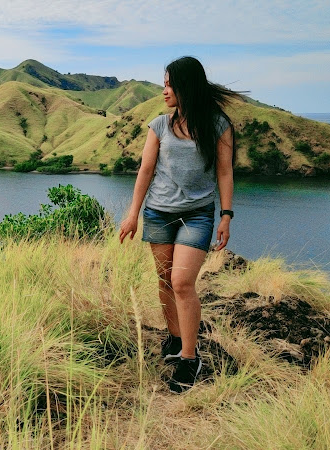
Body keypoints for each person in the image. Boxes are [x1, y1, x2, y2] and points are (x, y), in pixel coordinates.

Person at [118, 56, 242, 393]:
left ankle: (190, 358)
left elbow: (225, 171)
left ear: (187, 86)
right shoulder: (159, 125)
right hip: (158, 213)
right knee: (164, 280)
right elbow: (145, 171)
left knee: (182, 282)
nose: (164, 90)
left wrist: (226, 215)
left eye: (170, 84)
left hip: (197, 214)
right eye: (164, 83)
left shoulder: (218, 125)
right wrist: (132, 214)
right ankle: (174, 338)